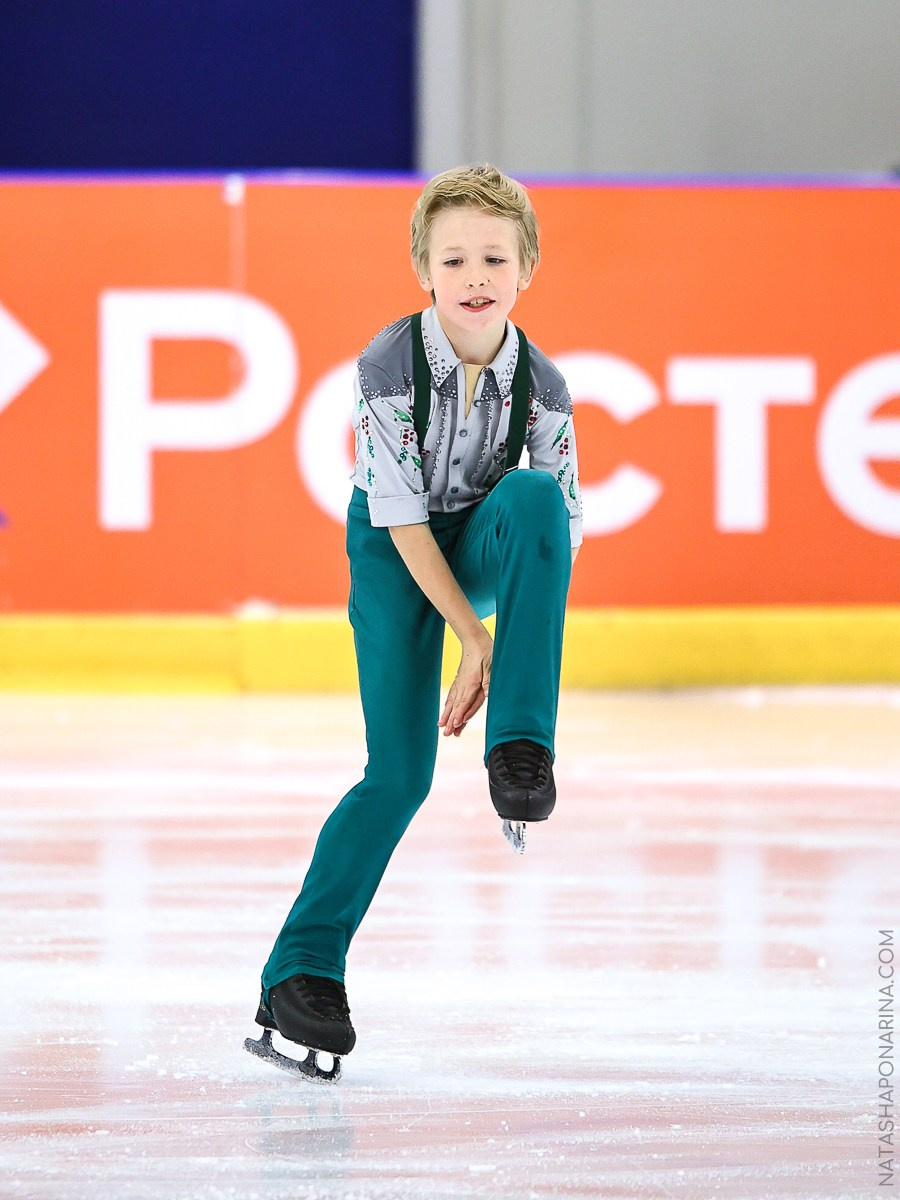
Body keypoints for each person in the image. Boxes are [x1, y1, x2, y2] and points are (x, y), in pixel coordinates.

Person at [245, 163, 583, 1082]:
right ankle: (300, 971)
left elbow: (552, 540)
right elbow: (400, 521)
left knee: (535, 499)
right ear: (423, 270)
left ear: (527, 268)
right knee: (398, 776)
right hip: (395, 554)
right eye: (455, 259)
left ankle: (521, 749)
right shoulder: (387, 366)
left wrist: (503, 648)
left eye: (495, 259)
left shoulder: (546, 388)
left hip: (483, 536)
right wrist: (473, 638)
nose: (475, 277)